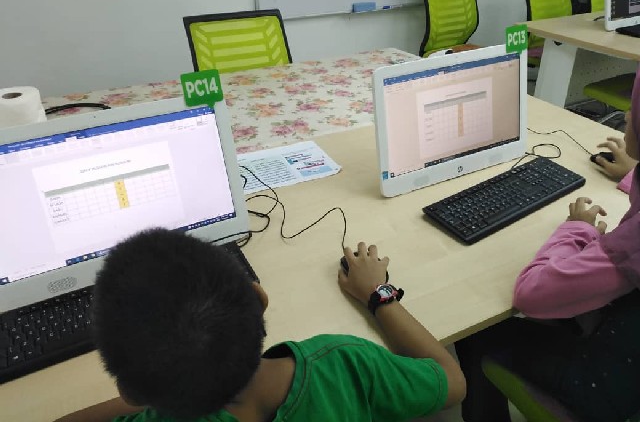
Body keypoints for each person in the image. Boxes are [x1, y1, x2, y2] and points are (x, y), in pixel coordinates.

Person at [54, 230, 465, 422]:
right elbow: (453, 382)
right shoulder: (346, 364)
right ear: (259, 298)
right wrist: (378, 294)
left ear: (129, 392)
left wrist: (157, 386)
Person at [455, 77, 640, 422]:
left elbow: (531, 295)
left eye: (635, 109)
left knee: (477, 329)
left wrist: (577, 229)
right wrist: (634, 173)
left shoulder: (631, 248)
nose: (627, 115)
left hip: (607, 387)